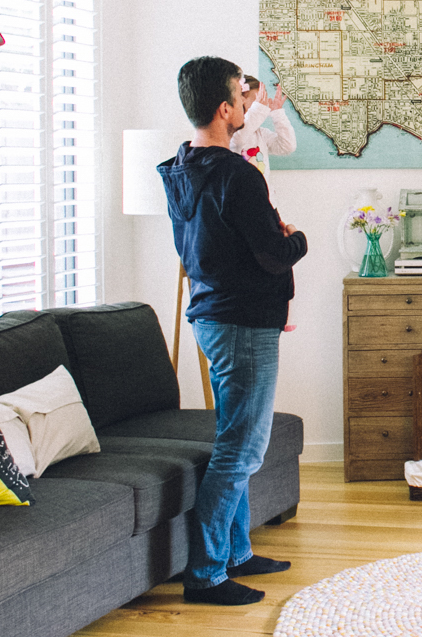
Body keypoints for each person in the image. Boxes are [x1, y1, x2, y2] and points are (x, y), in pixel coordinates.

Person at [158, 56, 308, 606]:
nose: (248, 103)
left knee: (233, 439)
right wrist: (298, 239)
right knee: (242, 450)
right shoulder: (239, 175)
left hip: (211, 316)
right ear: (224, 109)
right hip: (243, 323)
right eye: (241, 98)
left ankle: (237, 550)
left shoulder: (180, 167)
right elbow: (272, 253)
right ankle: (207, 574)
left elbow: (196, 247)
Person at [229, 75, 295, 177]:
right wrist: (258, 109)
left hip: (262, 192)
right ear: (240, 100)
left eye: (263, 98)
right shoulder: (227, 133)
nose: (262, 103)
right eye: (258, 99)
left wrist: (278, 114)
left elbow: (287, 146)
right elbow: (237, 139)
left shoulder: (261, 133)